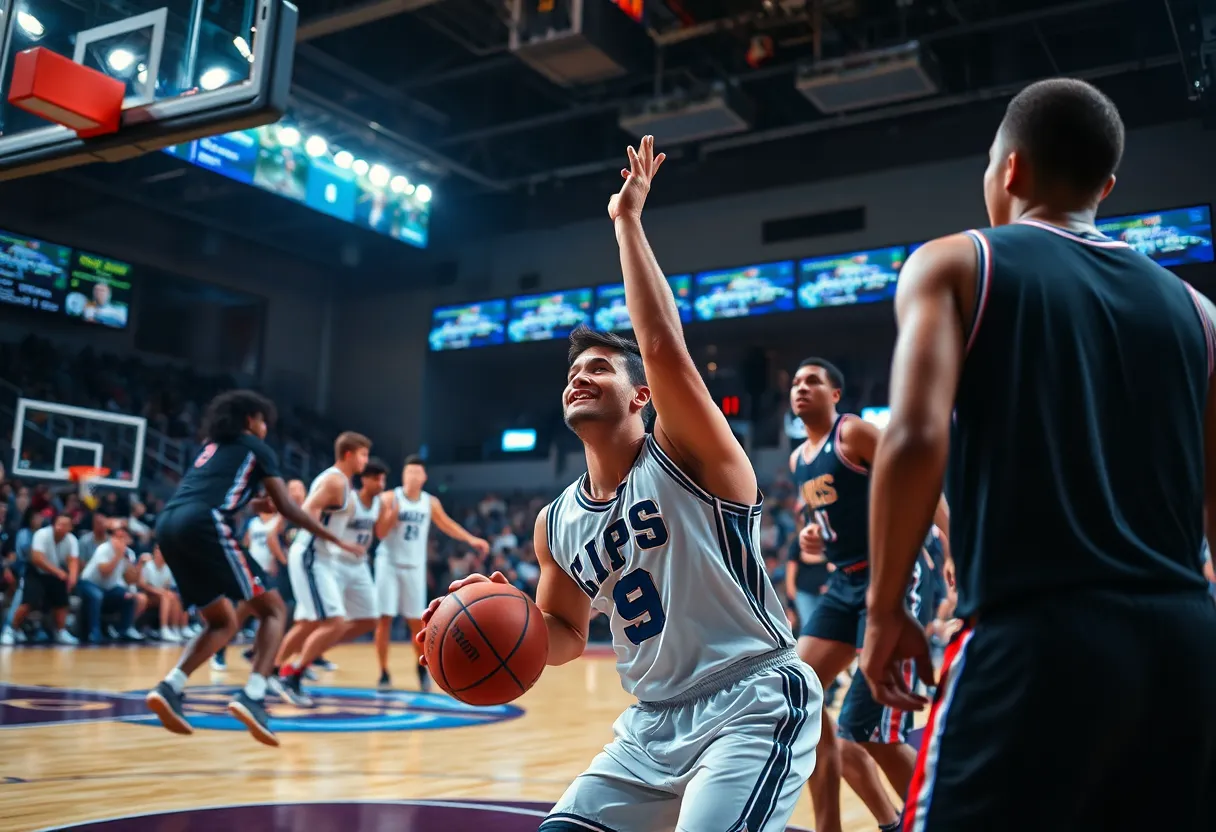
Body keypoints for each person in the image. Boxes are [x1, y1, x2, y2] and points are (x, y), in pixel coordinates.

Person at [420, 136, 821, 831]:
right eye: (575, 371)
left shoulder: (690, 454)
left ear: (641, 399)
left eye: (602, 369)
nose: (580, 374)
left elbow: (663, 346)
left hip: (752, 698)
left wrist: (626, 221)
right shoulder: (556, 523)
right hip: (650, 727)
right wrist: (493, 618)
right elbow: (566, 631)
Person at [861, 78, 1216, 832]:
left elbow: (917, 436)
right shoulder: (1200, 312)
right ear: (1107, 186)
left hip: (1037, 641)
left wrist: (886, 609)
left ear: (1009, 170)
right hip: (1185, 647)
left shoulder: (956, 262)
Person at [145, 390, 361, 746]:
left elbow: (219, 489)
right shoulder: (257, 448)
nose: (265, 429)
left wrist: (256, 500)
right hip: (203, 524)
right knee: (275, 609)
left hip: (168, 525)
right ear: (250, 419)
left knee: (223, 621)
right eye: (263, 421)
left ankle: (171, 686)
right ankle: (254, 695)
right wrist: (336, 540)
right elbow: (291, 510)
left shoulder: (211, 448)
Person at [788, 359, 947, 832]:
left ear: (836, 394)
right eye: (796, 382)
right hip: (843, 584)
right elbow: (815, 518)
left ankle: (942, 817)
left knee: (869, 730)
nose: (801, 387)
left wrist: (952, 539)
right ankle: (845, 825)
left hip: (893, 577)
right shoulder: (799, 460)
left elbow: (914, 474)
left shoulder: (852, 432)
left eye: (813, 381)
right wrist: (809, 540)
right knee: (798, 696)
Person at [273, 431, 372, 706]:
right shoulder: (334, 481)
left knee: (308, 622)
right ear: (349, 454)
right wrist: (340, 543)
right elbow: (306, 511)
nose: (366, 460)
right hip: (311, 555)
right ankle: (291, 676)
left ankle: (272, 669)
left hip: (320, 557)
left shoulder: (343, 484)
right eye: (363, 454)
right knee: (335, 622)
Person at [374, 454, 489, 691]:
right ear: (403, 475)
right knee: (384, 619)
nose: (412, 476)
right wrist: (391, 516)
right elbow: (380, 533)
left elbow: (447, 525)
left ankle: (420, 668)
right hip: (388, 564)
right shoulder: (389, 498)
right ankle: (384, 673)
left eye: (417, 472)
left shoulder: (430, 502)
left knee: (416, 622)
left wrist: (471, 539)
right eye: (408, 472)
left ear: (424, 476)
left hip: (414, 566)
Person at [210, 503, 287, 670]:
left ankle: (254, 652)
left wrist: (278, 561)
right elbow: (244, 545)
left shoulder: (278, 521)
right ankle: (220, 651)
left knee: (271, 615)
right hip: (253, 574)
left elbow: (281, 544)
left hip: (271, 574)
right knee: (242, 615)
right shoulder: (252, 523)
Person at [1, 512, 79, 645]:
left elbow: (73, 560)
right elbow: (37, 559)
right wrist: (58, 572)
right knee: (28, 602)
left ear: (71, 527)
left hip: (55, 574)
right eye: (60, 524)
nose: (62, 527)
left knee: (62, 601)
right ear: (53, 525)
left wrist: (72, 577)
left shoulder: (71, 539)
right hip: (35, 573)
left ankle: (61, 632)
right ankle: (10, 630)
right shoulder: (42, 534)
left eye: (66, 525)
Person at [76, 521, 145, 643]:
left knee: (130, 597)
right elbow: (104, 572)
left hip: (109, 587)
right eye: (118, 537)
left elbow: (131, 580)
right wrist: (118, 556)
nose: (121, 541)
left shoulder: (129, 554)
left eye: (123, 538)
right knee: (97, 596)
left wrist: (139, 565)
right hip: (89, 583)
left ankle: (123, 630)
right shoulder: (103, 549)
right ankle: (94, 632)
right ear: (112, 538)